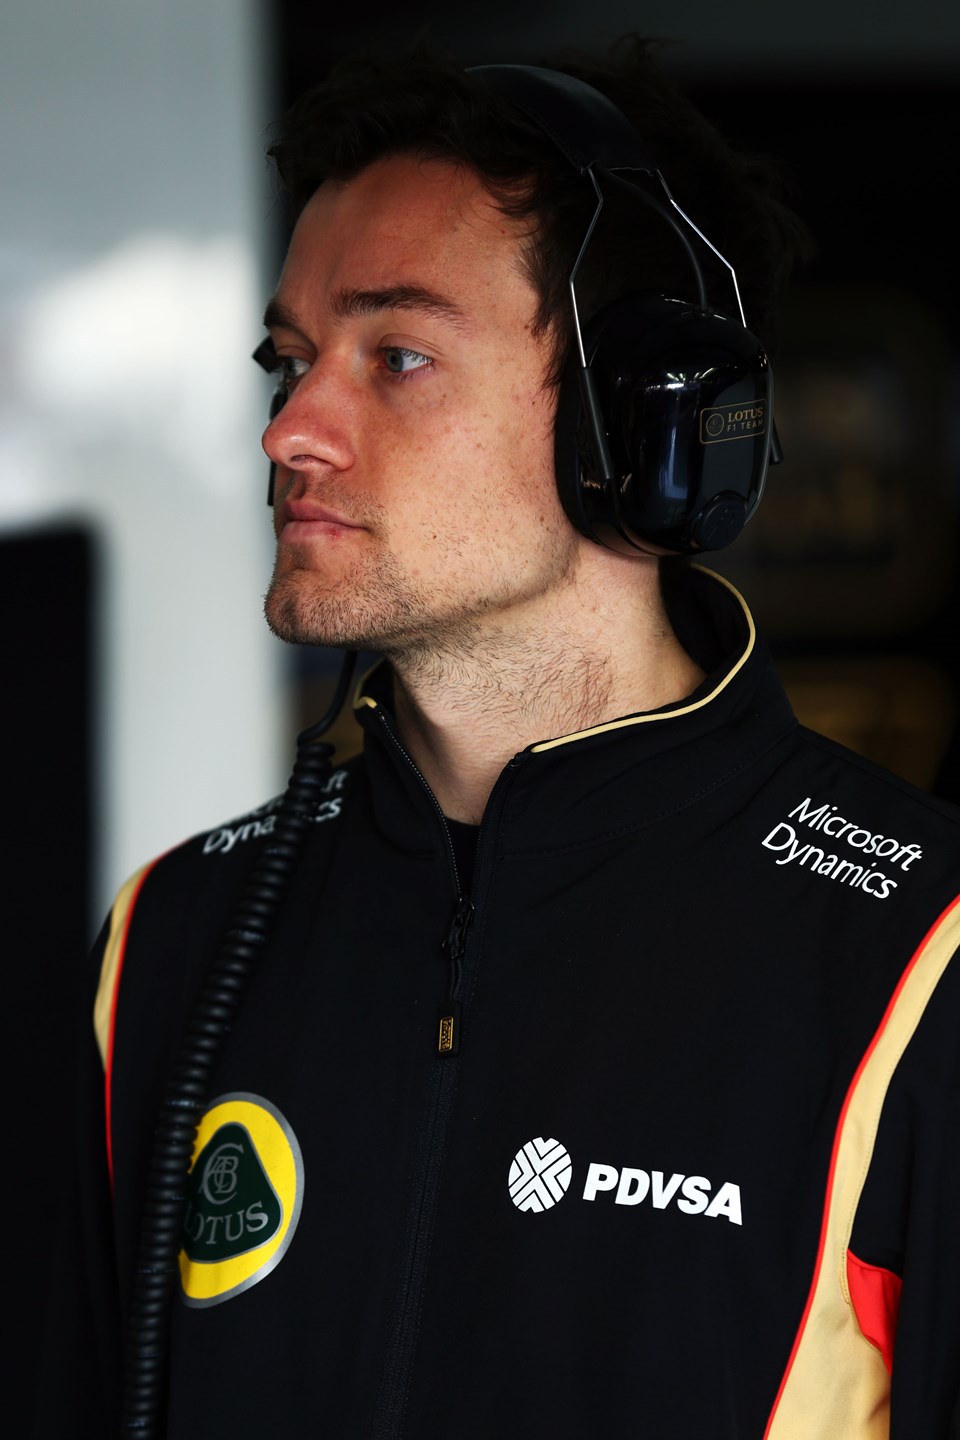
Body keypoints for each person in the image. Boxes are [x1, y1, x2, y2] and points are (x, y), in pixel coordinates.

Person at [41, 40, 960, 1440]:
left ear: (638, 421)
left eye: (397, 356)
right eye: (289, 362)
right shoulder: (170, 938)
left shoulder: (921, 951)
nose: (292, 430)